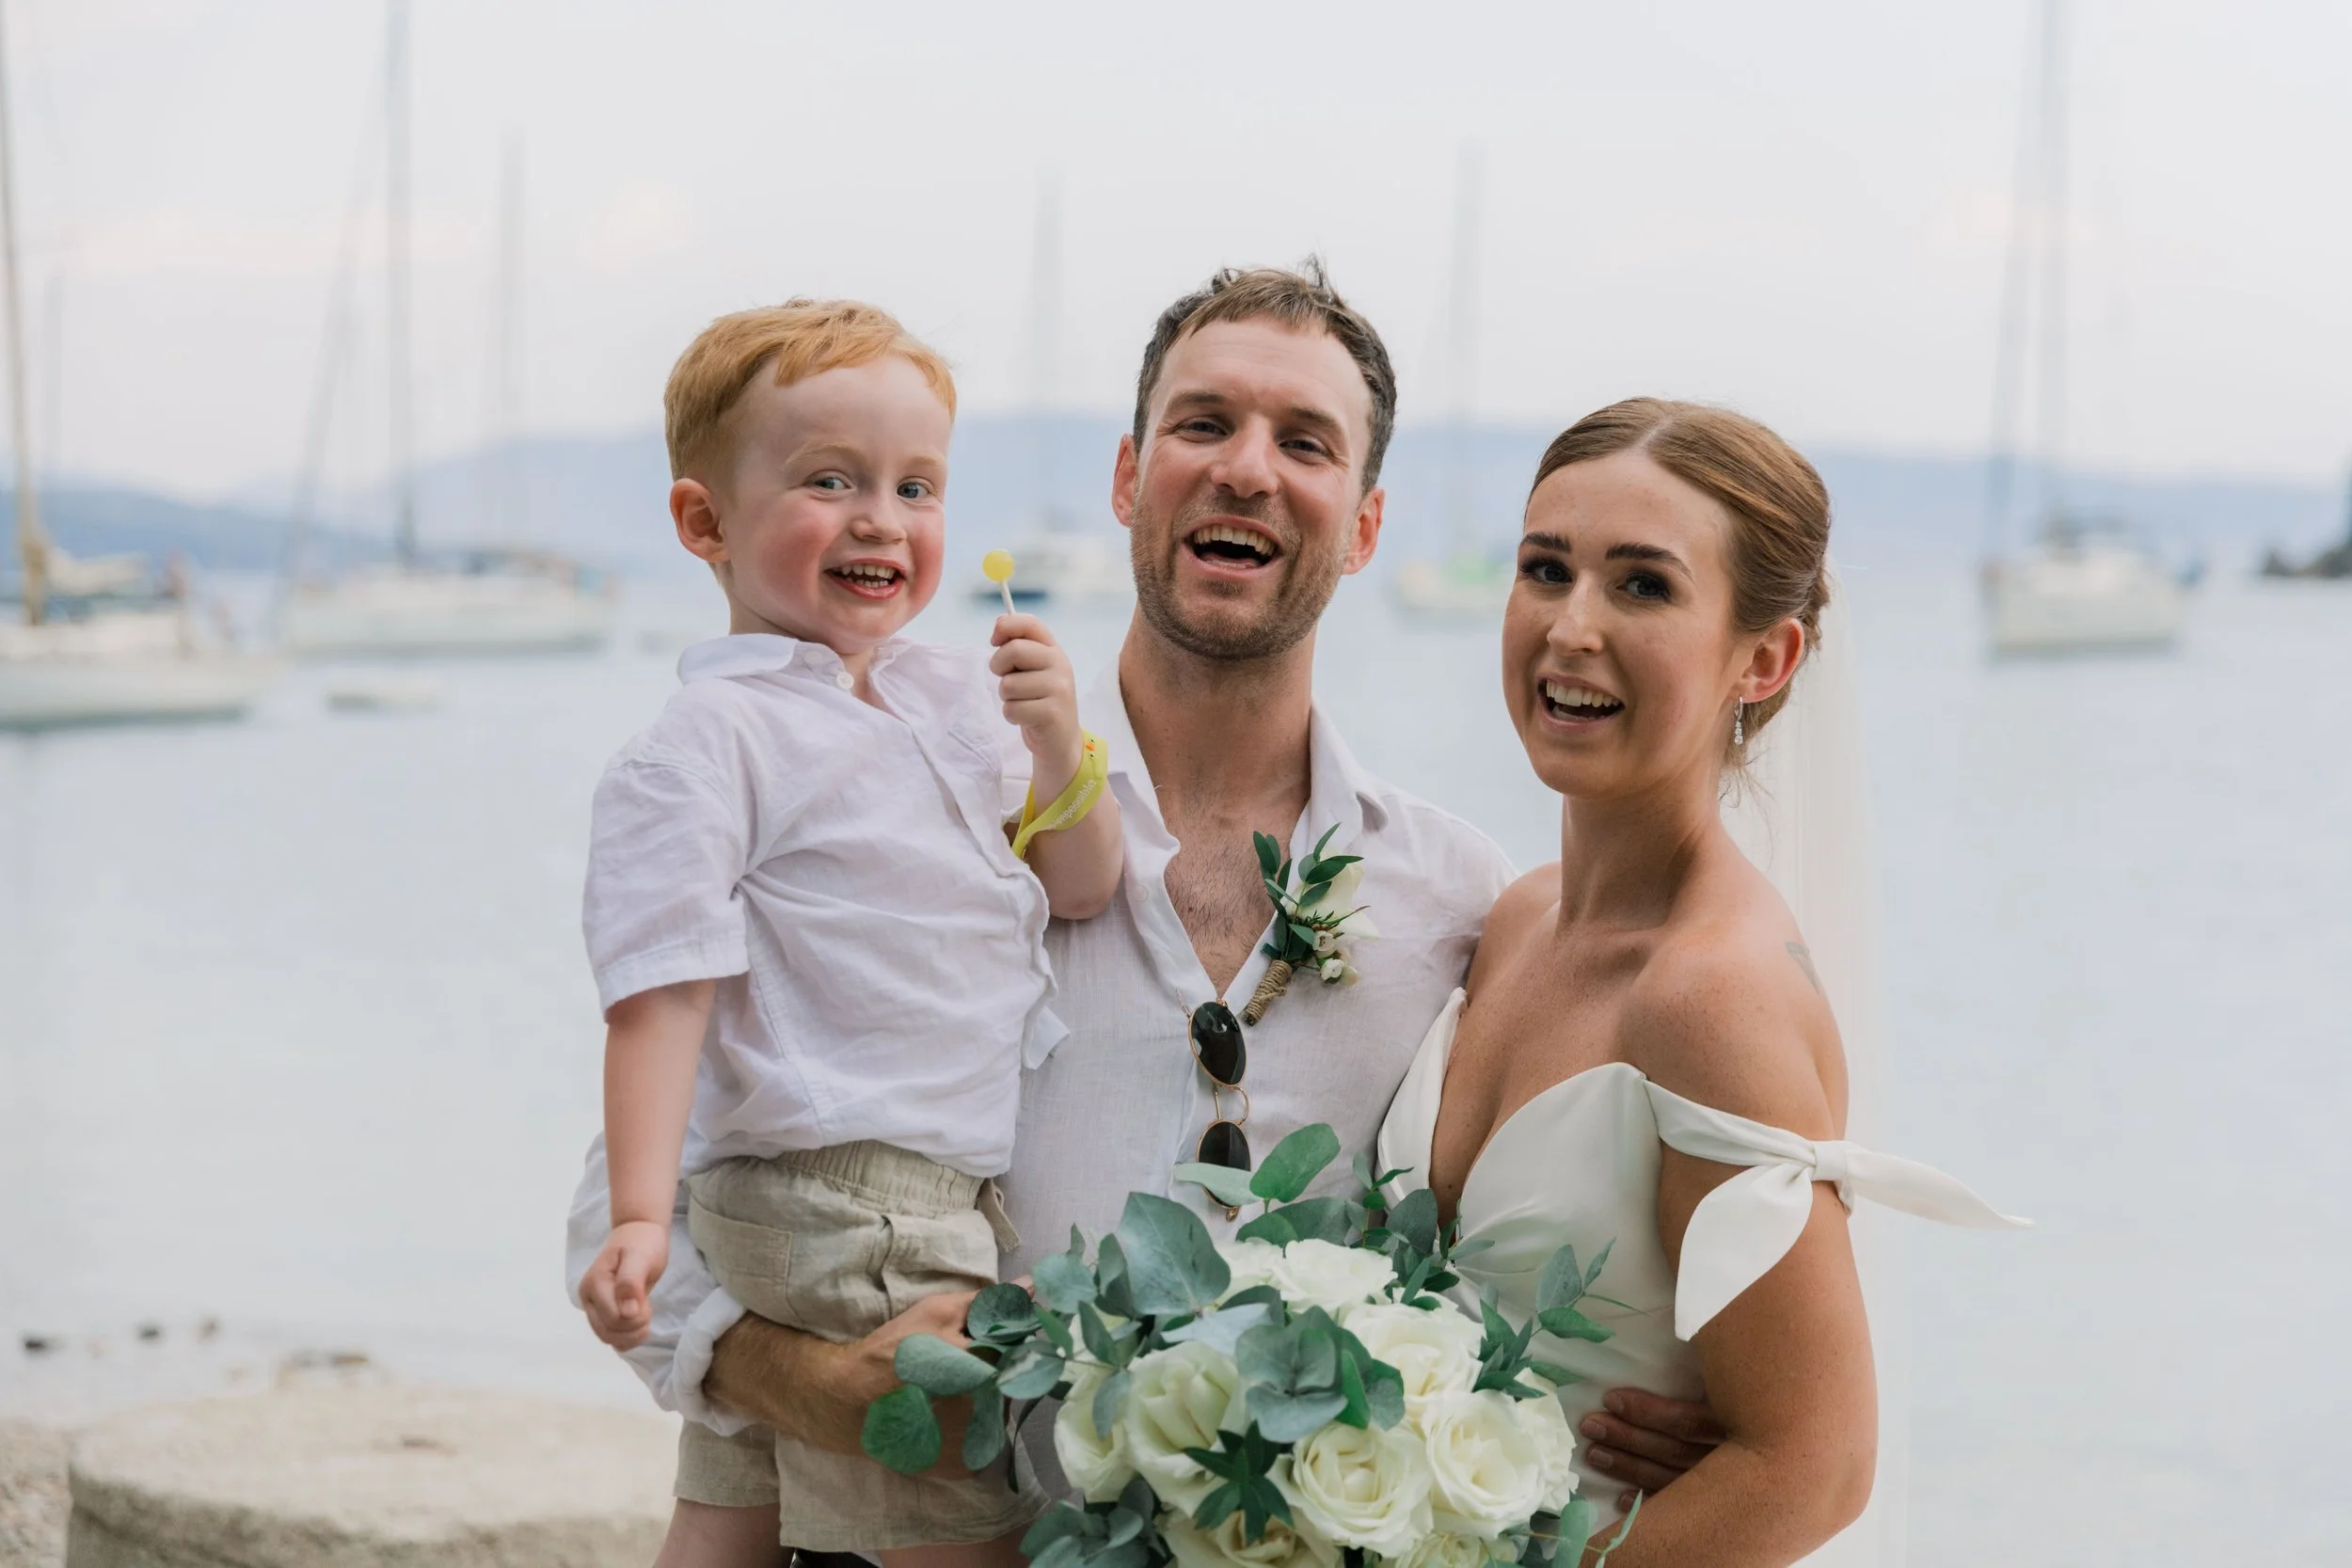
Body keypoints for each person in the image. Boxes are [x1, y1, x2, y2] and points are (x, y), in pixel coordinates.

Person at [565, 266, 1727, 1567]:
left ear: (1366, 523)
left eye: (1305, 442)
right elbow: (648, 1204)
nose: (1246, 469)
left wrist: (1639, 1404)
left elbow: (1508, 1263)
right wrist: (805, 1381)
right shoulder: (920, 798)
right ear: (1128, 478)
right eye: (1202, 424)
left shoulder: (1462, 896)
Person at [1377, 399, 2028, 1567]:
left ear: (1763, 656)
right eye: (1545, 568)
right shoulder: (1517, 917)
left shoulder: (1711, 993)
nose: (1571, 626)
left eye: (1643, 587)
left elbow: (1814, 1465)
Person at [571, 298, 1123, 1568]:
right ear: (704, 521)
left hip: (871, 1194)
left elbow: (1082, 884)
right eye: (831, 479)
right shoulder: (709, 743)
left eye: (917, 485)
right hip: (860, 1199)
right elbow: (661, 991)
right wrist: (643, 1215)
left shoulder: (948, 694)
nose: (883, 517)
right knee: (949, 1521)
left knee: (733, 1508)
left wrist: (1056, 747)